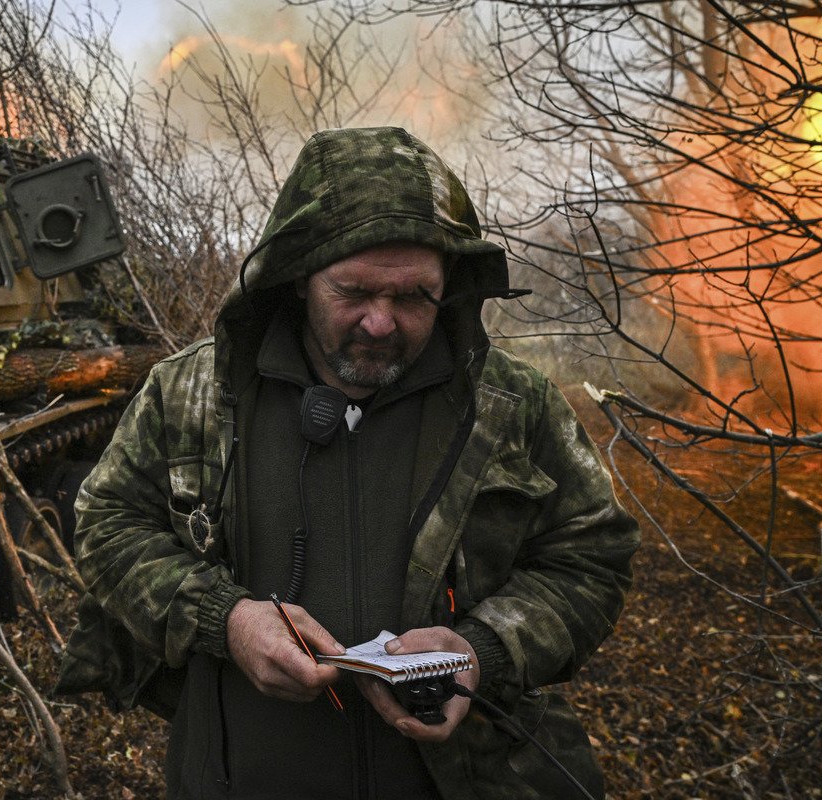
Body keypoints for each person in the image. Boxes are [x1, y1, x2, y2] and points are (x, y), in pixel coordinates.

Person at [56, 127, 640, 800]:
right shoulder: (190, 394)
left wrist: (483, 649)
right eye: (355, 290)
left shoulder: (514, 408)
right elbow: (107, 526)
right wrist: (227, 619)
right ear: (300, 276)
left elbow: (592, 557)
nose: (381, 322)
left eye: (413, 296)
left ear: (449, 286)